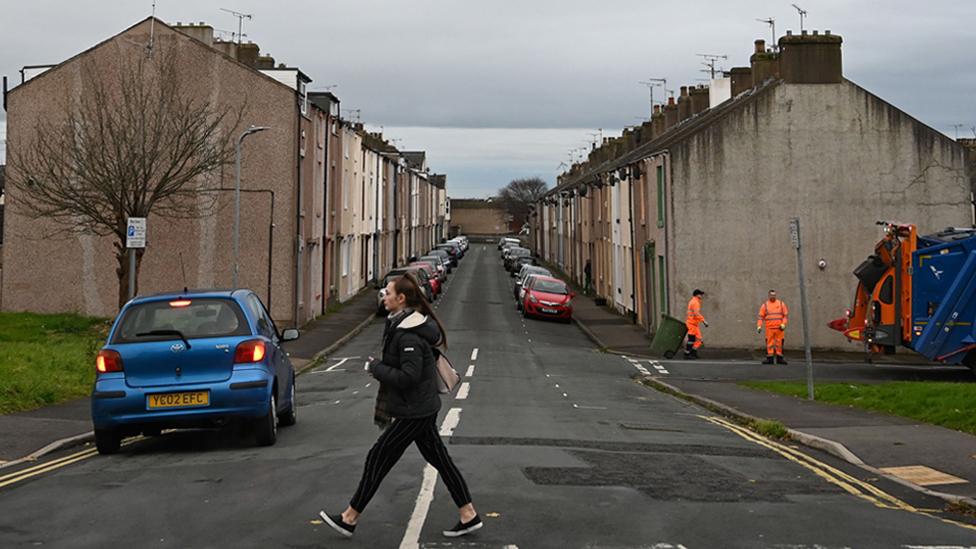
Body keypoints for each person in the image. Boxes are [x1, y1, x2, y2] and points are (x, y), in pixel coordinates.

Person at [319, 273, 481, 540]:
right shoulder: (403, 325)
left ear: (401, 298)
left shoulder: (408, 335)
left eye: (389, 292)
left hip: (414, 411)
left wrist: (376, 368)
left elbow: (408, 377)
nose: (384, 296)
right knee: (440, 459)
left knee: (378, 457)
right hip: (421, 407)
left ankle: (350, 518)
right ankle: (468, 513)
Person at [757, 289, 789, 364]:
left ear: (776, 295)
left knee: (779, 343)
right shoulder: (765, 305)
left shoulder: (781, 304)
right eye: (771, 295)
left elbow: (785, 316)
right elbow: (760, 317)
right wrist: (759, 326)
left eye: (774, 295)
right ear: (769, 296)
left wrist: (783, 324)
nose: (773, 296)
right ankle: (770, 359)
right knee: (769, 343)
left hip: (779, 328)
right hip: (769, 328)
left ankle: (779, 358)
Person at [684, 289, 708, 359]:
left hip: (694, 324)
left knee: (699, 340)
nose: (702, 296)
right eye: (701, 294)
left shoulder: (694, 301)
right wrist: (704, 321)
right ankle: (687, 354)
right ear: (697, 295)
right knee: (691, 339)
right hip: (691, 324)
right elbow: (696, 313)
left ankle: (693, 353)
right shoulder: (695, 302)